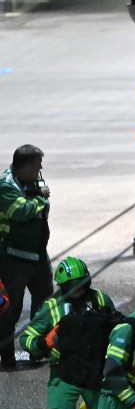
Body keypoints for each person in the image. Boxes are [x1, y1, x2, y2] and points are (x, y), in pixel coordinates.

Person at [19, 257, 119, 409]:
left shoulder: (101, 301)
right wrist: (45, 343)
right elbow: (27, 338)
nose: (81, 290)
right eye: (75, 286)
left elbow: (118, 326)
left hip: (96, 375)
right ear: (64, 287)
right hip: (64, 376)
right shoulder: (52, 307)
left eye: (84, 284)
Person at [1, 144, 53, 370]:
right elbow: (22, 211)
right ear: (25, 166)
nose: (41, 168)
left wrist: (39, 200)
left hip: (38, 255)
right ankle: (7, 356)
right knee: (10, 309)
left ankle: (36, 349)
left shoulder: (35, 179)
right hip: (14, 258)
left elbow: (44, 202)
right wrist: (40, 200)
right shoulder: (6, 186)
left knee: (44, 306)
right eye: (37, 164)